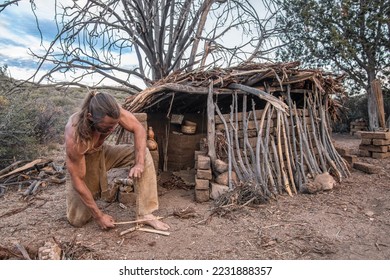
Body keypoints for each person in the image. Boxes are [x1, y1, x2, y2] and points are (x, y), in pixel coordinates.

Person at [64, 91, 169, 231]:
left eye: (115, 125)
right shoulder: (75, 137)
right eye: (107, 127)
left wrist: (139, 164)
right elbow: (78, 180)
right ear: (90, 117)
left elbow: (139, 129)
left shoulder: (112, 111)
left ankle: (145, 213)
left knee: (143, 153)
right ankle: (92, 203)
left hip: (103, 152)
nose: (112, 129)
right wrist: (99, 216)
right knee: (77, 220)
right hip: (85, 159)